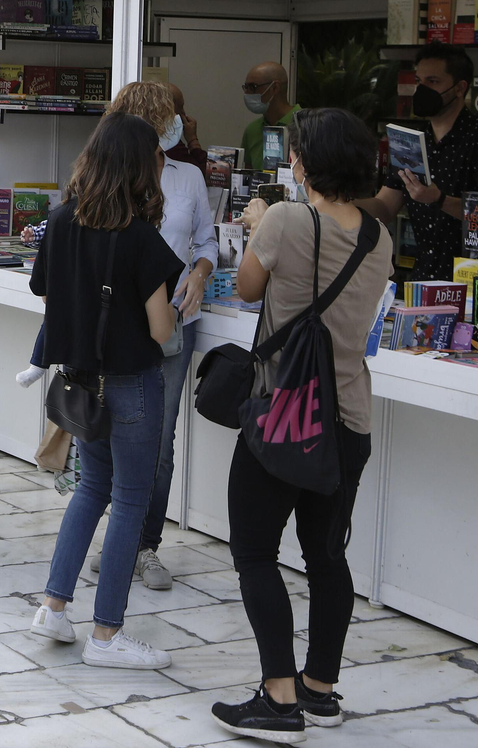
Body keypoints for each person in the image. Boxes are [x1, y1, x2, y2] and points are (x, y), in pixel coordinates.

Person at [210, 108, 393, 741]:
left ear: (304, 163)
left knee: (255, 551)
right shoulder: (378, 235)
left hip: (286, 413)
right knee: (325, 556)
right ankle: (320, 690)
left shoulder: (287, 219)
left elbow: (247, 290)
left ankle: (278, 699)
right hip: (349, 418)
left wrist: (261, 224)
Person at [27, 112, 183, 670]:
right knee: (132, 500)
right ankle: (108, 633)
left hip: (81, 380)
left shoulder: (61, 221)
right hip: (133, 382)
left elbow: (48, 296)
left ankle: (53, 604)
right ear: (143, 167)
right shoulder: (142, 239)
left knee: (91, 488)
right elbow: (162, 331)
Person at [104, 82, 215, 590]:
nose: (174, 125)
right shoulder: (107, 176)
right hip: (119, 325)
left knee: (160, 443)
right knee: (107, 436)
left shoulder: (188, 176)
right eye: (165, 118)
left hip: (175, 325)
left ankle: (145, 546)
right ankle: (113, 539)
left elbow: (207, 241)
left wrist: (199, 272)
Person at [359, 43, 478, 280]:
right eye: (419, 80)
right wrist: (341, 203)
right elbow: (385, 207)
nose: (421, 89)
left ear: (460, 88)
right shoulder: (411, 142)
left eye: (433, 81)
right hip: (422, 277)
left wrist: (439, 199)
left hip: (471, 280)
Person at [241, 62, 298, 171]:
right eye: (245, 87)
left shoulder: (305, 126)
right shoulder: (252, 130)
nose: (247, 93)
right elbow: (248, 175)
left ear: (275, 88)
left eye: (252, 87)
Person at [163, 83, 210, 183]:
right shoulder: (169, 144)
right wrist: (193, 140)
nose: (183, 112)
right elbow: (201, 175)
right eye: (180, 107)